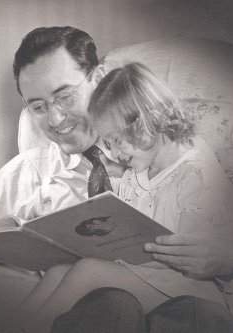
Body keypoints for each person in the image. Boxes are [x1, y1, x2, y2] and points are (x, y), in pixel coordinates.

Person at [0, 27, 233, 332]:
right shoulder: (33, 167)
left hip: (175, 297)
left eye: (63, 96)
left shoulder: (170, 154)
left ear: (98, 77)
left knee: (90, 273)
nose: (55, 120)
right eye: (38, 107)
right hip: (87, 310)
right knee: (64, 270)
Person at [12, 62, 233, 332]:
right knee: (60, 269)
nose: (114, 153)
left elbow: (189, 261)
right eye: (107, 142)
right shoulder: (135, 171)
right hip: (148, 277)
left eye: (117, 140)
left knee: (90, 270)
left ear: (146, 123)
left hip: (192, 289)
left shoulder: (195, 173)